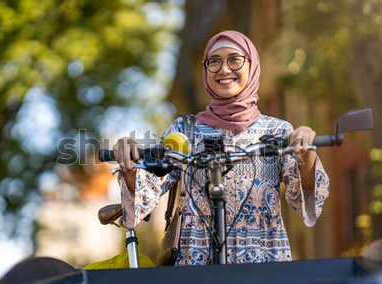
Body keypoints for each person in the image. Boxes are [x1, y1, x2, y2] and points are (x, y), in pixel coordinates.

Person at [113, 30, 330, 265]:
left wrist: (306, 151)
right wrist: (129, 163)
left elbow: (305, 197)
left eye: (235, 59)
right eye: (214, 62)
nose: (224, 69)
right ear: (205, 70)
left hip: (263, 264)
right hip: (198, 267)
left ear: (252, 65)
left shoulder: (276, 131)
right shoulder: (185, 130)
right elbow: (148, 190)